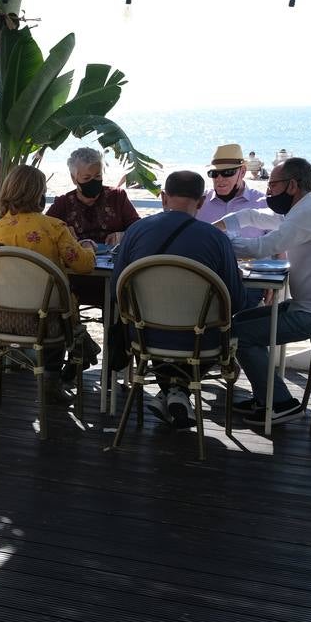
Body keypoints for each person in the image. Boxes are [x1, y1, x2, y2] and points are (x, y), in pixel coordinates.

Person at [222, 157, 311, 427]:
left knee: (239, 335)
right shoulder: (303, 211)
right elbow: (254, 216)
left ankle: (281, 404)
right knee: (235, 324)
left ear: (292, 185)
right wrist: (220, 227)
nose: (268, 189)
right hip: (310, 306)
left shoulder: (309, 215)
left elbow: (262, 246)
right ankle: (266, 397)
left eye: (272, 184)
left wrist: (215, 242)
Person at [113, 171, 245, 430]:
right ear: (201, 202)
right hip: (199, 341)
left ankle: (173, 392)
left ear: (163, 198)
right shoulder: (216, 239)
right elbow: (236, 302)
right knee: (212, 329)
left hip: (143, 336)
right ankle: (178, 391)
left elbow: (117, 290)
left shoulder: (136, 231)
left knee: (164, 329)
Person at [0, 164, 99, 384]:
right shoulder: (53, 227)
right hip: (46, 319)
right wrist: (89, 248)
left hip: (4, 317)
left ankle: (80, 350)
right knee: (62, 309)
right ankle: (57, 373)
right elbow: (83, 266)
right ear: (39, 194)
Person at [45, 146, 140, 309]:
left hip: (112, 274)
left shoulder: (117, 197)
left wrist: (122, 234)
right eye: (87, 178)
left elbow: (138, 228)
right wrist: (63, 232)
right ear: (74, 178)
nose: (93, 182)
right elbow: (45, 230)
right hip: (75, 274)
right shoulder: (63, 203)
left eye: (98, 176)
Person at [198, 143, 269, 310]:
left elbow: (280, 249)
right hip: (206, 281)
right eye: (214, 174)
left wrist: (274, 285)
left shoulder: (261, 203)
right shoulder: (199, 203)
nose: (220, 179)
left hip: (250, 283)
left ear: (242, 172)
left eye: (227, 172)